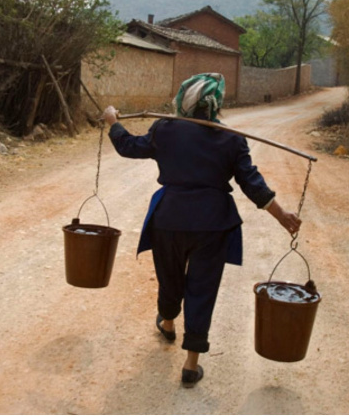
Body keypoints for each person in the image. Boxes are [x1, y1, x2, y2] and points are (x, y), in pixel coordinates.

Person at [101, 72, 301, 388]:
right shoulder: (232, 138)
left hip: (170, 220)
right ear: (214, 105)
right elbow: (253, 184)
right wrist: (281, 214)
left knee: (170, 277)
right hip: (212, 225)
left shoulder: (165, 129)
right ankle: (191, 363)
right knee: (202, 289)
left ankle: (168, 323)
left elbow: (129, 146)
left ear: (183, 101)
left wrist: (113, 122)